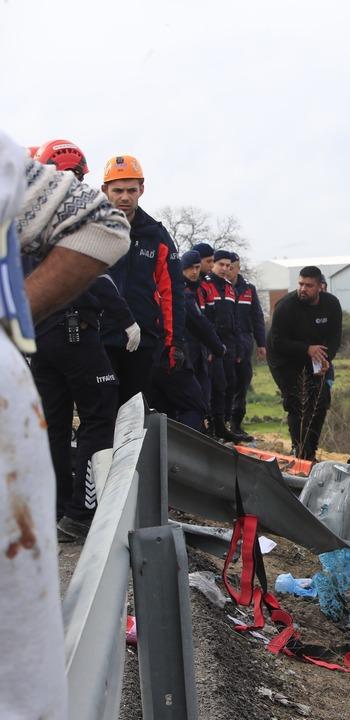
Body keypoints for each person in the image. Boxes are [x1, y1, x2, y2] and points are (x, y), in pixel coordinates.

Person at [2, 131, 129, 720]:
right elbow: (101, 234)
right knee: (85, 426)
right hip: (46, 348)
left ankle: (72, 511)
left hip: (35, 352)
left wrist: (15, 314)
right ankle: (75, 510)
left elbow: (100, 232)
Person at [100, 154, 186, 403]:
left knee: (134, 414)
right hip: (98, 337)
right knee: (100, 412)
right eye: (118, 190)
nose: (124, 197)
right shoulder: (90, 227)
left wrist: (174, 342)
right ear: (105, 190)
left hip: (142, 341)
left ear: (142, 190)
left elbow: (172, 291)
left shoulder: (156, 235)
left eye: (131, 190)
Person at [267, 265, 342, 460]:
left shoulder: (331, 304)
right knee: (297, 402)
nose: (303, 289)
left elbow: (334, 338)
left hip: (315, 356)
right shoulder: (286, 306)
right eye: (300, 284)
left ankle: (310, 451)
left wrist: (326, 360)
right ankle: (298, 450)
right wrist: (306, 349)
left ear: (320, 287)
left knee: (321, 400)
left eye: (309, 285)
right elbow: (278, 342)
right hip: (284, 357)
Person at [199, 249, 242, 442]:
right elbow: (203, 320)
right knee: (215, 385)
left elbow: (236, 319)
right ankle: (210, 425)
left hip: (229, 344)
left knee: (229, 383)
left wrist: (239, 347)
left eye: (228, 266)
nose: (225, 269)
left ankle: (223, 424)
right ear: (213, 264)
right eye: (221, 265)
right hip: (212, 343)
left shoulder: (230, 288)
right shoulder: (204, 286)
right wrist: (208, 347)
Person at [180, 250, 225, 430]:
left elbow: (207, 322)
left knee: (205, 392)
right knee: (192, 398)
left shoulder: (198, 289)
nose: (194, 272)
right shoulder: (181, 291)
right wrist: (216, 347)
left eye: (197, 268)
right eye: (190, 268)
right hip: (184, 350)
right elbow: (199, 322)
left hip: (199, 349)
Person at [230, 253, 266, 441]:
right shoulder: (215, 288)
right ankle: (220, 422)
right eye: (225, 266)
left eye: (232, 266)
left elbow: (257, 317)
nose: (228, 270)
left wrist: (261, 343)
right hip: (225, 343)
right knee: (226, 383)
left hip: (244, 343)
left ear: (238, 268)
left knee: (242, 383)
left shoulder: (248, 290)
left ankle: (236, 423)